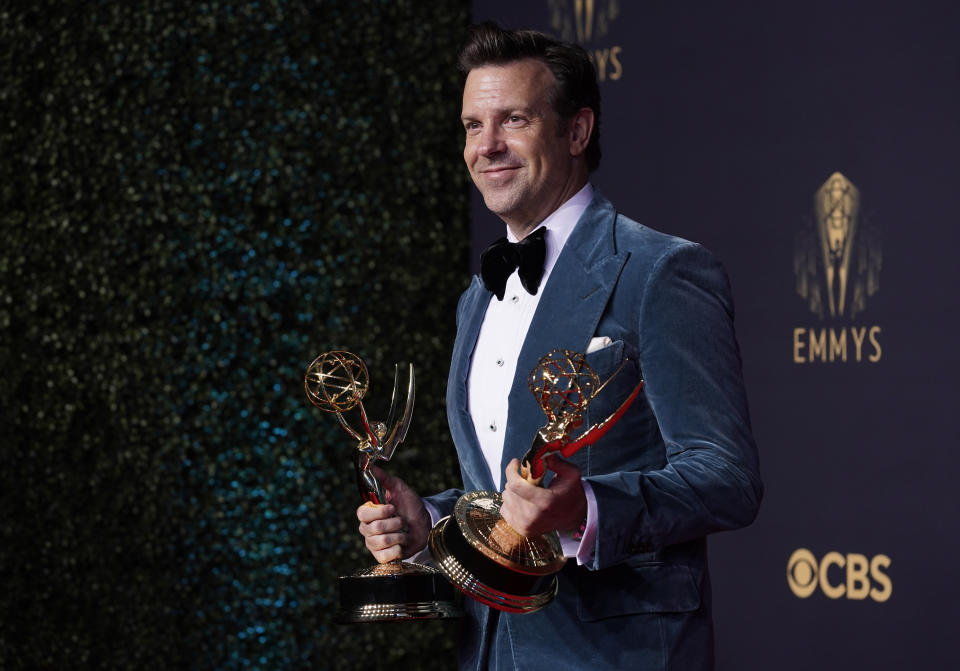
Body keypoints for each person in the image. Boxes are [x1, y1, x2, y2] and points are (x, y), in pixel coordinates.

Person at [357, 22, 763, 671]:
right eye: (471, 125)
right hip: (487, 653)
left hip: (616, 653)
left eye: (512, 119)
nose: (486, 146)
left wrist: (590, 507)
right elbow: (499, 490)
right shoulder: (477, 296)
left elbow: (728, 478)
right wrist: (427, 520)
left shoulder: (660, 272)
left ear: (576, 132)